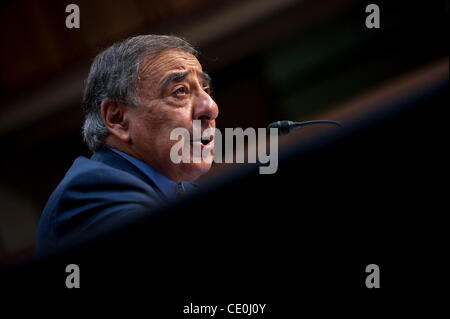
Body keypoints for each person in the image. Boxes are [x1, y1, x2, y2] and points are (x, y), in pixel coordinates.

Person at [35, 35, 219, 257]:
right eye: (180, 91)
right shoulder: (91, 193)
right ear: (117, 118)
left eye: (205, 89)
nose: (211, 107)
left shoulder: (184, 190)